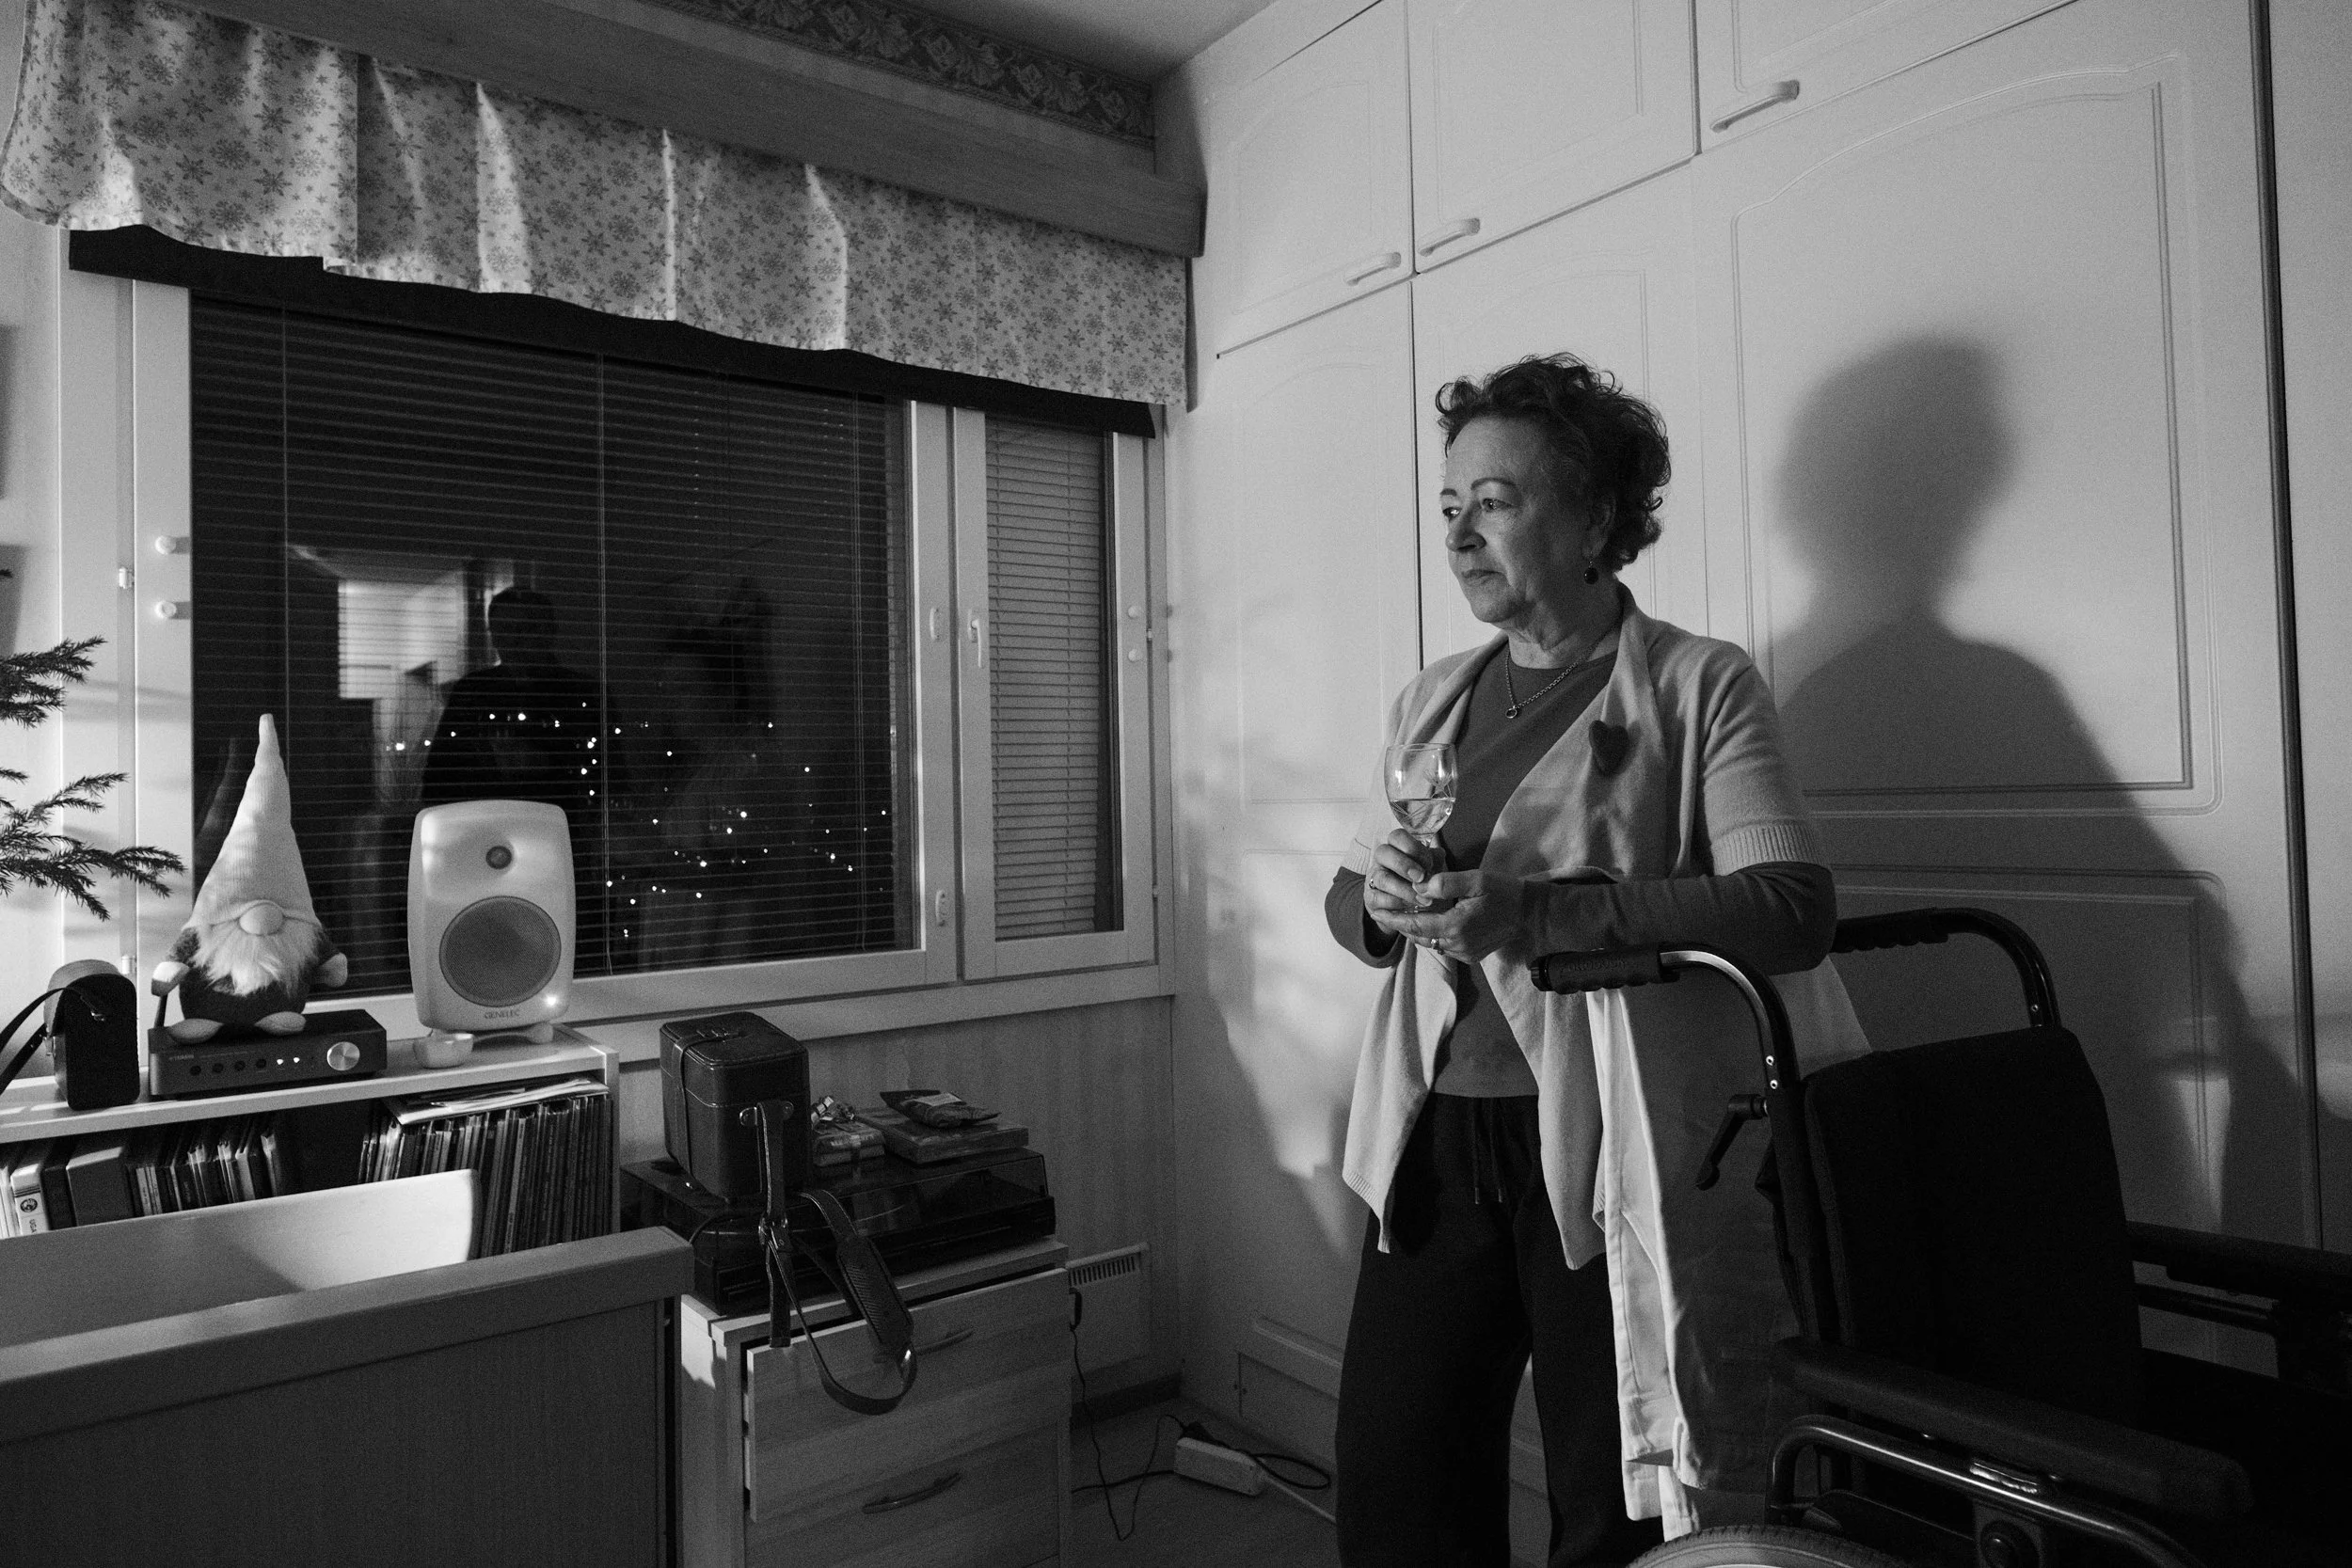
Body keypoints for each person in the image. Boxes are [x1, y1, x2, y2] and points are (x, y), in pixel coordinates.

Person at [1327, 355, 1861, 1566]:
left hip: (1612, 1138)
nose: (1460, 532)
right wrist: (1380, 902)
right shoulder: (1429, 701)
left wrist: (1539, 916)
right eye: (1451, 503)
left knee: (1608, 1488)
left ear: (1597, 522)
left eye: (1497, 502)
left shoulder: (1699, 684)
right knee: (1398, 1479)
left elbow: (1789, 908)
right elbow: (1349, 896)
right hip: (1430, 1135)